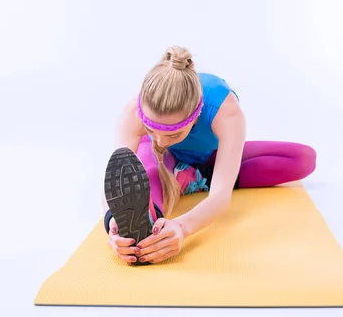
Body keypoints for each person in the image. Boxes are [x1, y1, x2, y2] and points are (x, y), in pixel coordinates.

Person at [102, 46, 317, 266]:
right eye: (151, 129)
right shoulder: (132, 113)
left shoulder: (226, 110)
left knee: (303, 159)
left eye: (174, 134)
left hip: (210, 160)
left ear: (196, 114)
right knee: (147, 162)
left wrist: (183, 227)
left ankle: (193, 177)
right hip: (161, 160)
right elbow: (115, 181)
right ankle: (150, 224)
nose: (161, 141)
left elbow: (220, 197)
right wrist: (112, 222)